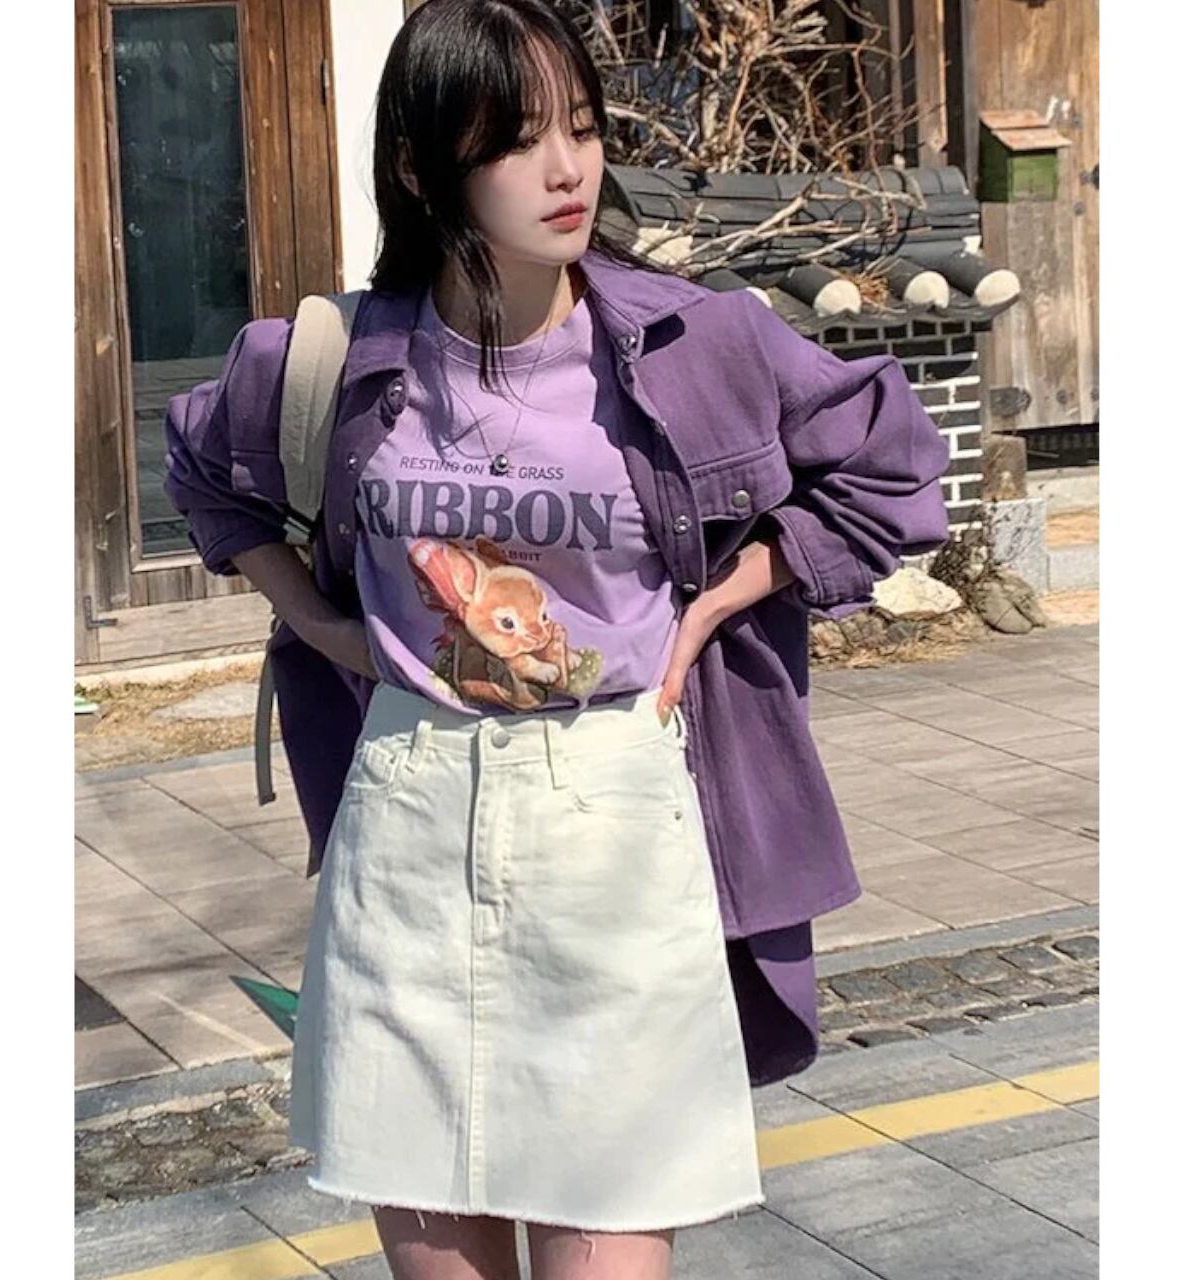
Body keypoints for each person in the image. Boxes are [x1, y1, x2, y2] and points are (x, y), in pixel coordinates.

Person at [164, 2, 952, 1275]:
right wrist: (312, 617)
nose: (566, 168)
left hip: (610, 815)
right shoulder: (337, 358)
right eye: (516, 139)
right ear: (422, 164)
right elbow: (206, 467)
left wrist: (716, 601)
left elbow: (886, 464)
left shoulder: (694, 343)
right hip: (408, 816)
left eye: (580, 129)